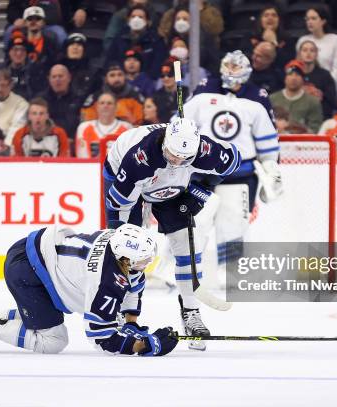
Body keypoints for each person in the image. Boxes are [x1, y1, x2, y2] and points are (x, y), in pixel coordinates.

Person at [102, 117, 242, 349]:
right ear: (165, 142)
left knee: (187, 247)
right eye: (172, 154)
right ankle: (123, 310)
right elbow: (118, 204)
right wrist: (122, 238)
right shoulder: (140, 158)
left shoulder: (204, 150)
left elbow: (233, 160)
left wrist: (202, 188)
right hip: (124, 175)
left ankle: (190, 311)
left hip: (169, 183)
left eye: (183, 158)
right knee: (127, 249)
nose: (176, 160)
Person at [0, 224, 179, 357]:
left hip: (34, 253)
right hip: (28, 272)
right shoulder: (106, 282)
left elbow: (133, 283)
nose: (146, 264)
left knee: (47, 318)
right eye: (141, 261)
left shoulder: (116, 241)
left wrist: (130, 322)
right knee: (54, 340)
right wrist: (143, 347)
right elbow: (101, 337)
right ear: (124, 259)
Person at [181, 50, 281, 271]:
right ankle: (184, 270)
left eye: (236, 66)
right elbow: (179, 127)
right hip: (200, 174)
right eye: (228, 65)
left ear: (246, 70)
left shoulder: (257, 97)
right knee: (193, 223)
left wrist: (271, 169)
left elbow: (267, 141)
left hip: (240, 174)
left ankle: (231, 274)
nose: (231, 70)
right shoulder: (204, 90)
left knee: (234, 227)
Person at [106, 4, 167, 79]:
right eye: (133, 16)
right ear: (128, 20)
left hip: (148, 82)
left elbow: (157, 64)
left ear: (148, 21)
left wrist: (143, 80)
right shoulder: (120, 37)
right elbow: (111, 60)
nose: (136, 19)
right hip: (122, 80)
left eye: (141, 17)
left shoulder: (156, 40)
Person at [296, 7, 337, 96]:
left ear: (323, 21)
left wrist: (321, 86)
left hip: (331, 86)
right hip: (306, 87)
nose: (309, 22)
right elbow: (298, 67)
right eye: (307, 19)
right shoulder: (302, 40)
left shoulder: (335, 40)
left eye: (313, 18)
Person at [269, 60, 323, 133]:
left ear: (303, 79)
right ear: (285, 78)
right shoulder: (272, 99)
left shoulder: (313, 102)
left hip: (302, 142)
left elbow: (315, 129)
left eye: (297, 75)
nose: (293, 78)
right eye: (290, 74)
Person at [75, 92, 132, 158]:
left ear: (116, 107)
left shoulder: (127, 128)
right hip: (91, 167)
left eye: (109, 103)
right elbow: (82, 156)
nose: (105, 106)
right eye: (102, 103)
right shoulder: (84, 127)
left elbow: (129, 155)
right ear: (97, 107)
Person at [37, 64, 82, 139]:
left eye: (60, 76)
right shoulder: (40, 100)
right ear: (49, 79)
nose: (57, 79)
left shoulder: (79, 99)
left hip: (72, 141)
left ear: (69, 78)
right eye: (54, 77)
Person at [296, 39, 337, 119]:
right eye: (305, 50)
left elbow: (332, 101)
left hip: (319, 116)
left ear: (316, 54)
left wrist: (319, 95)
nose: (308, 53)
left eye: (312, 50)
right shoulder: (293, 73)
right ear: (299, 54)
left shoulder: (325, 75)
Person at [57, 32, 102, 103]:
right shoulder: (57, 69)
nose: (75, 47)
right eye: (72, 44)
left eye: (79, 45)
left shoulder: (92, 70)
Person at [249, 4, 292, 69]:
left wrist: (274, 42)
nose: (270, 18)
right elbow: (246, 59)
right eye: (266, 15)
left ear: (279, 20)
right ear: (260, 20)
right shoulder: (250, 37)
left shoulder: (287, 39)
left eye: (274, 15)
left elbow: (286, 62)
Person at [152, 58, 189, 122]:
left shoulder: (186, 92)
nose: (166, 78)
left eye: (170, 75)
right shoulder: (156, 95)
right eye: (163, 76)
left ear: (177, 76)